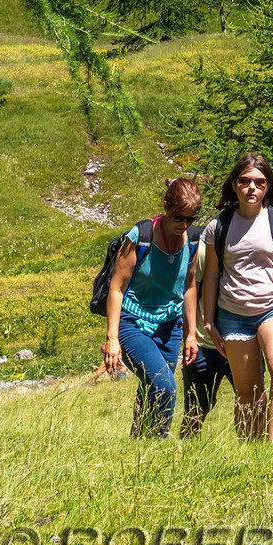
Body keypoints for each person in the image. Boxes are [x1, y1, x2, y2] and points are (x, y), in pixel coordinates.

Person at [200, 151, 273, 444]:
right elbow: (210, 276)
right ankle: (251, 452)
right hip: (232, 314)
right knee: (247, 390)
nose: (252, 188)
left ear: (267, 186)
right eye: (245, 181)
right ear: (235, 184)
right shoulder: (217, 227)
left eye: (259, 182)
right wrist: (208, 322)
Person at [103, 175, 203, 438]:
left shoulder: (193, 240)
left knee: (152, 388)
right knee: (165, 386)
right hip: (133, 323)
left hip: (170, 327)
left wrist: (191, 333)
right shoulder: (141, 236)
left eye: (191, 219)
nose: (184, 225)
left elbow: (190, 286)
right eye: (179, 217)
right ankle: (157, 442)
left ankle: (139, 443)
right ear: (166, 206)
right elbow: (116, 289)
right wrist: (112, 339)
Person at [179, 218, 230, 438]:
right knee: (197, 410)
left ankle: (254, 453)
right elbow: (190, 291)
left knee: (254, 402)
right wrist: (190, 337)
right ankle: (183, 454)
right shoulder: (204, 248)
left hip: (242, 340)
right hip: (203, 342)